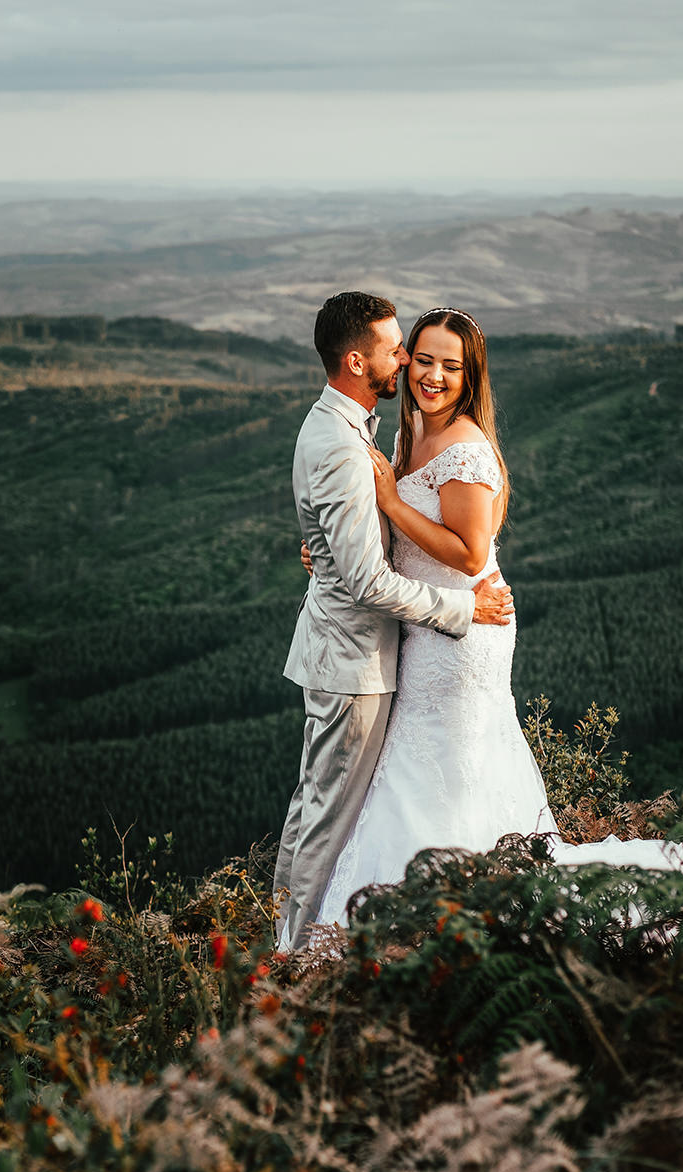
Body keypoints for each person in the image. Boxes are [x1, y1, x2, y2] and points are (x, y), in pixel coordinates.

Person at [310, 305, 683, 937]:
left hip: (465, 631)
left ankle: (457, 908)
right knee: (416, 761)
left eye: (451, 366)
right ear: (406, 360)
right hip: (424, 625)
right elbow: (393, 539)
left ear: (471, 375)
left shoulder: (467, 448)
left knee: (447, 763)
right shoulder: (411, 431)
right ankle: (432, 900)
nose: (433, 376)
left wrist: (389, 500)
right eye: (423, 360)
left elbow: (471, 552)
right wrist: (337, 545)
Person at [273, 293, 515, 953]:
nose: (409, 362)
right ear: (358, 361)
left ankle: (293, 937)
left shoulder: (347, 424)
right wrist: (463, 607)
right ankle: (294, 950)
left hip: (399, 647)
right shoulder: (351, 440)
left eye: (443, 363)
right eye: (399, 350)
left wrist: (335, 547)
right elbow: (369, 579)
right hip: (360, 653)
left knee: (332, 801)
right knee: (327, 812)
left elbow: (452, 543)